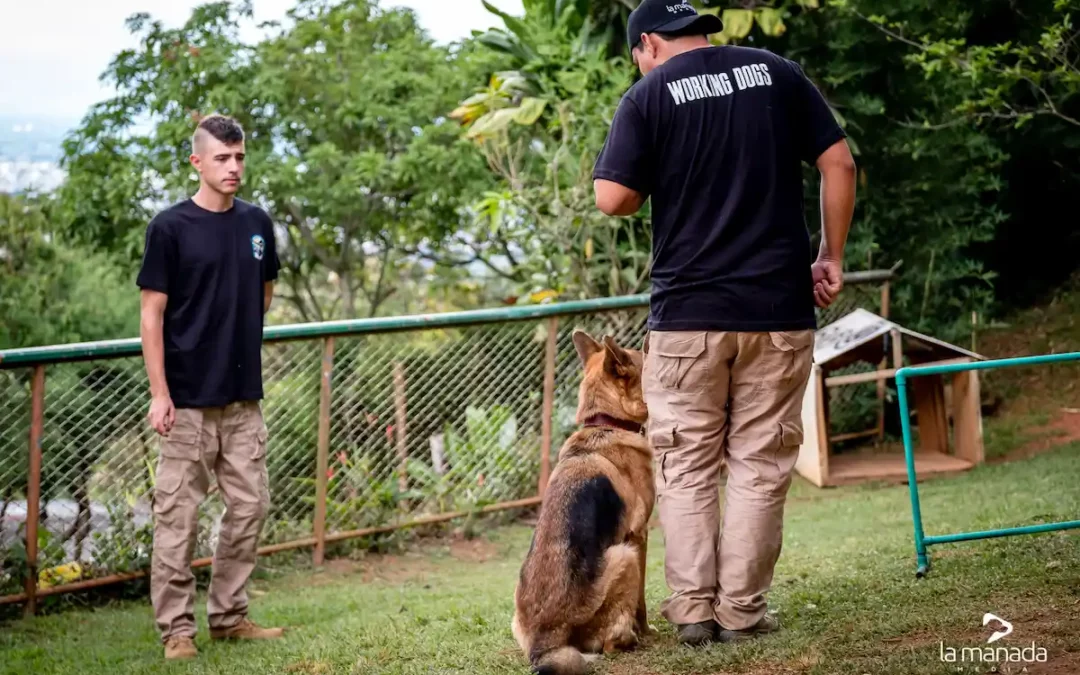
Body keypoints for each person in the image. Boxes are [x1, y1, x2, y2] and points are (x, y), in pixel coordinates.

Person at [592, 0, 857, 647]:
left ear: (648, 43)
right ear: (702, 30)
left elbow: (613, 198)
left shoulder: (649, 95)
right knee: (762, 464)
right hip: (779, 312)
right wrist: (830, 256)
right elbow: (840, 163)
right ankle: (742, 613)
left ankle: (693, 613)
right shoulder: (777, 72)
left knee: (685, 468)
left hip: (687, 319)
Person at [137, 113, 285, 660]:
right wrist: (160, 392)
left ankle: (229, 616)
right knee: (178, 521)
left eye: (239, 157)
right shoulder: (169, 228)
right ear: (197, 162)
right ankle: (177, 631)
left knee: (250, 508)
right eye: (222, 158)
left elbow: (264, 292)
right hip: (187, 404)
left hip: (244, 401)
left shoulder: (257, 223)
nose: (233, 167)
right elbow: (151, 316)